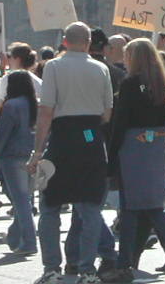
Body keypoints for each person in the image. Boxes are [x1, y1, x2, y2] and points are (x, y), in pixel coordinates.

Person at [102, 38, 165, 283]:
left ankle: (124, 264)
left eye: (127, 55)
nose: (124, 59)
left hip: (133, 146)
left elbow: (120, 121)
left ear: (134, 58)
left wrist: (111, 156)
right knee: (154, 204)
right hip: (157, 145)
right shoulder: (164, 82)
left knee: (130, 206)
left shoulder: (131, 84)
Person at [27, 22, 112, 284]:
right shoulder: (101, 68)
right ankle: (87, 270)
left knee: (50, 207)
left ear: (64, 42)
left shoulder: (53, 66)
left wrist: (38, 150)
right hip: (91, 137)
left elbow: (46, 111)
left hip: (62, 138)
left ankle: (52, 269)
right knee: (90, 209)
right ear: (88, 42)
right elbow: (107, 113)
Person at [0, 71, 38, 255]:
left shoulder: (11, 105)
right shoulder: (34, 103)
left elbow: (4, 132)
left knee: (20, 200)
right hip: (32, 152)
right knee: (26, 198)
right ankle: (15, 237)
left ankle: (29, 241)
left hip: (12, 154)